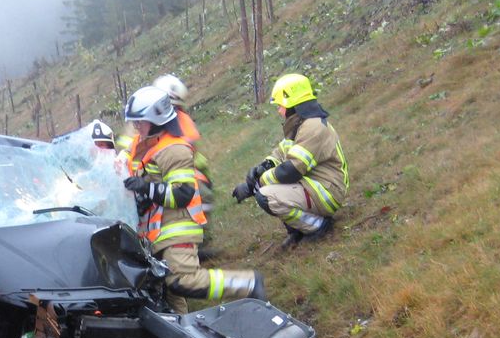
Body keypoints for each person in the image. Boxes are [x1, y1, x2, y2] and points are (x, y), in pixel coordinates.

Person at [121, 86, 264, 314]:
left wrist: (146, 188)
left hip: (177, 228)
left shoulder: (173, 149)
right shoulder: (148, 145)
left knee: (182, 281)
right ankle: (181, 330)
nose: (136, 126)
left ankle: (247, 283)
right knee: (167, 290)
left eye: (140, 121)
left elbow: (182, 194)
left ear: (156, 118)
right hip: (157, 232)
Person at [232, 73, 349, 247]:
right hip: (316, 185)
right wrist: (261, 168)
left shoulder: (312, 127)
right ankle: (298, 230)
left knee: (267, 196)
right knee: (271, 188)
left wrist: (256, 185)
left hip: (327, 191)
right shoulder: (300, 125)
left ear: (293, 104)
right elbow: (280, 153)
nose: (279, 110)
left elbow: (291, 171)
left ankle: (317, 226)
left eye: (280, 105)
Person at [153, 74, 217, 258]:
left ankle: (199, 242)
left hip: (180, 169)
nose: (172, 110)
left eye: (175, 106)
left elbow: (190, 148)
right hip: (154, 172)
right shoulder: (143, 120)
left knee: (203, 197)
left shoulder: (182, 118)